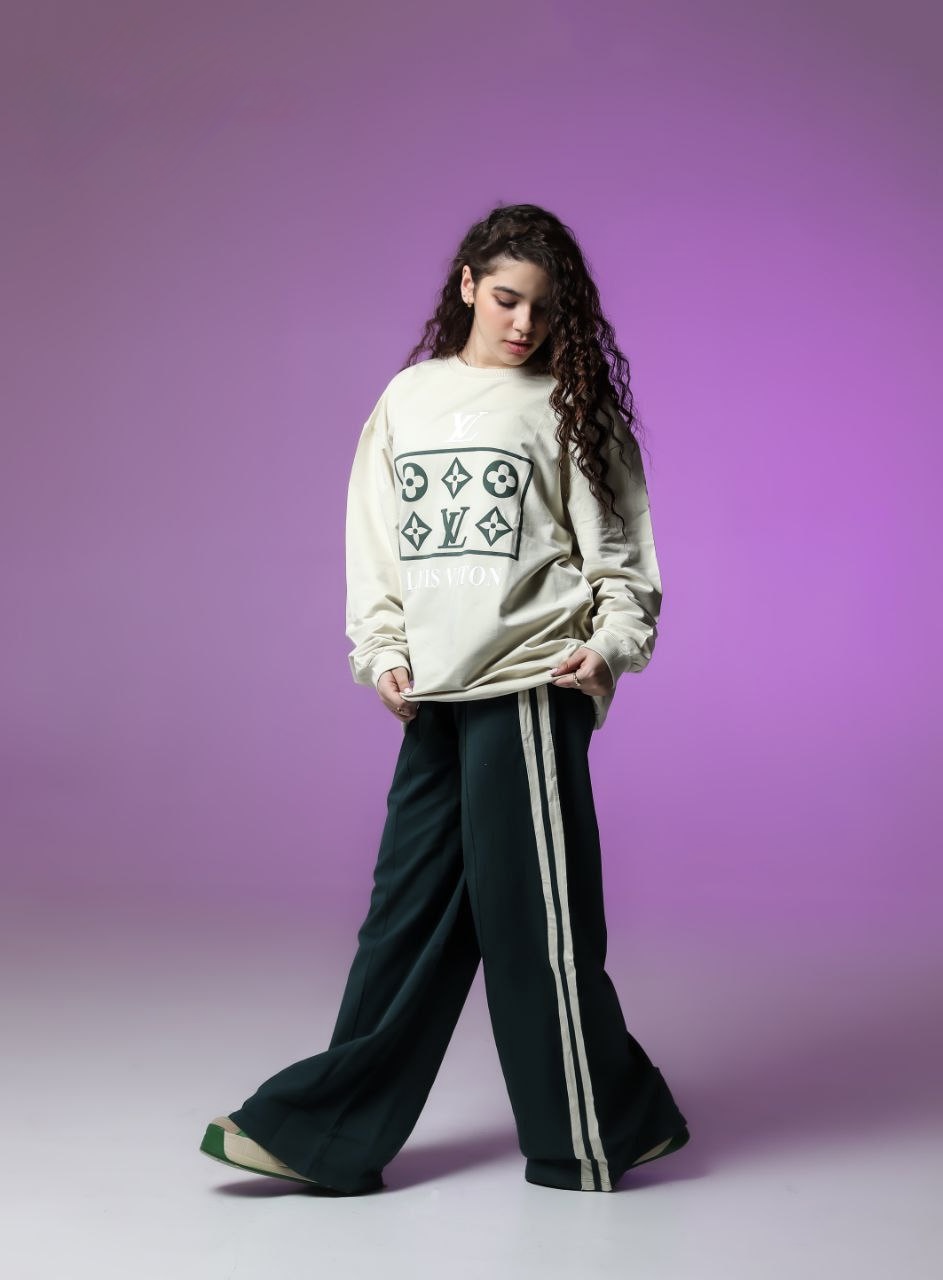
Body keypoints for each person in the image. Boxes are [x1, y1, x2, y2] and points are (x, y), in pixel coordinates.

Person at [200, 202, 690, 1195]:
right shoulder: (408, 398)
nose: (523, 324)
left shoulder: (566, 404)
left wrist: (607, 651)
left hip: (528, 683)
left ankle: (596, 1132)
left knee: (532, 927)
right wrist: (380, 649)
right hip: (436, 695)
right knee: (403, 918)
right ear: (467, 283)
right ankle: (328, 1136)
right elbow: (374, 543)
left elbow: (621, 559)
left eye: (543, 309)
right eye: (506, 299)